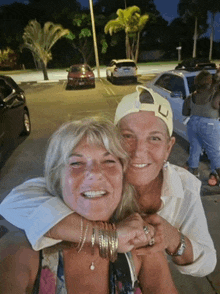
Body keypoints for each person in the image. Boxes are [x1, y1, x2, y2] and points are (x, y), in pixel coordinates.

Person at [0, 86, 216, 277]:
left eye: (154, 138)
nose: (139, 152)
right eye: (127, 136)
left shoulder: (184, 185)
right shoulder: (101, 176)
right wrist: (108, 237)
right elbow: (14, 203)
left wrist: (174, 240)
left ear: (169, 147)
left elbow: (207, 263)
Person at [0, 117, 178, 294]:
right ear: (57, 179)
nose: (94, 173)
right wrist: (110, 238)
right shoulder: (21, 250)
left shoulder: (140, 244)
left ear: (123, 178)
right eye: (76, 163)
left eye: (109, 161)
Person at [182, 70, 220, 185]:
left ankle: (193, 175)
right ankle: (216, 176)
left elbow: (185, 112)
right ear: (210, 81)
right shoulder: (214, 95)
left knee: (195, 150)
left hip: (193, 123)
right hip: (209, 124)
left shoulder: (191, 96)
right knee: (215, 153)